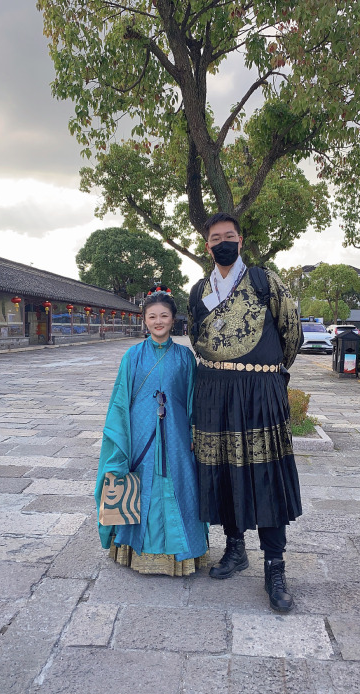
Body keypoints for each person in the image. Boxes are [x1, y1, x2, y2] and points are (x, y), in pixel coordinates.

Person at [188, 213, 303, 611]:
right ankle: (234, 549)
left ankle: (275, 565)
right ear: (207, 245)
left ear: (241, 240)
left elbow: (292, 332)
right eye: (215, 237)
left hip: (259, 393)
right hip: (214, 393)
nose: (222, 242)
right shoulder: (199, 290)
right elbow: (195, 337)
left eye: (229, 236)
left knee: (265, 473)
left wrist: (265, 373)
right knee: (222, 471)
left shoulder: (264, 281)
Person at [95, 285, 209, 576]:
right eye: (152, 316)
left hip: (177, 437)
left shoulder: (185, 357)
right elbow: (120, 402)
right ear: (144, 320)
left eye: (164, 316)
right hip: (141, 435)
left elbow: (194, 399)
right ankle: (135, 549)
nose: (158, 321)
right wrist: (121, 439)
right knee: (141, 487)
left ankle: (181, 554)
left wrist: (195, 432)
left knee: (181, 486)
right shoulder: (132, 357)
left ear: (173, 319)